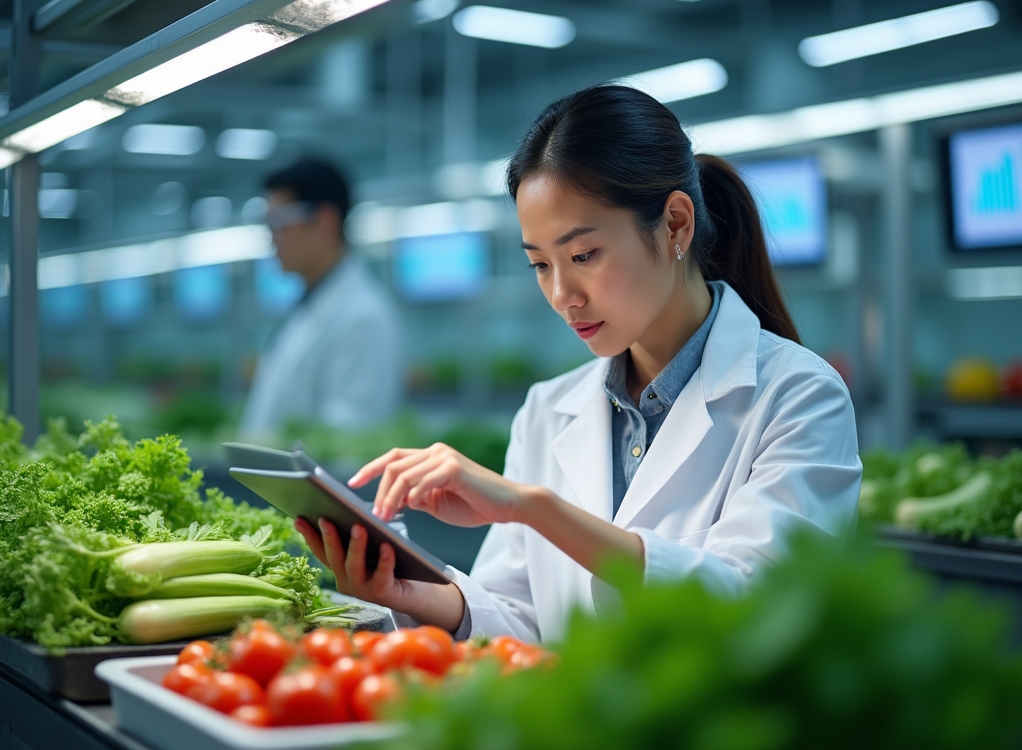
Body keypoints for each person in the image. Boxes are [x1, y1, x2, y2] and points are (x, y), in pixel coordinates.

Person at [296, 86, 862, 642]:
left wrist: (532, 508)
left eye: (584, 255)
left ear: (675, 225)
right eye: (540, 265)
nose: (563, 294)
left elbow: (755, 608)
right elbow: (519, 613)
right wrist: (414, 594)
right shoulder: (548, 408)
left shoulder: (800, 396)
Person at [239, 159, 403, 439]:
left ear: (324, 221)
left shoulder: (363, 317)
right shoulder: (311, 305)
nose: (271, 239)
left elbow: (345, 438)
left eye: (278, 223)